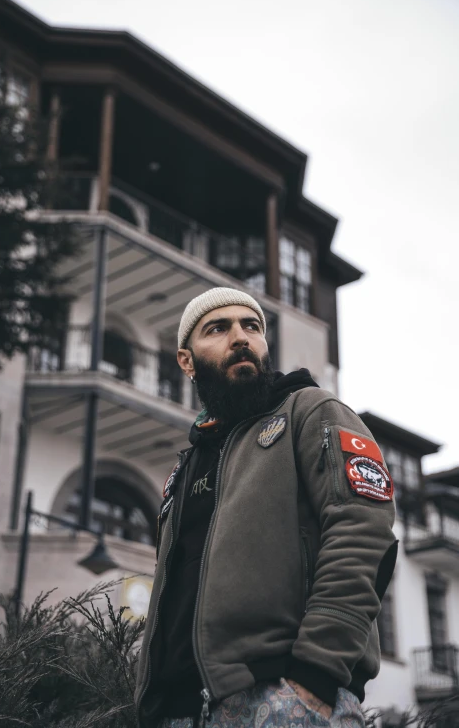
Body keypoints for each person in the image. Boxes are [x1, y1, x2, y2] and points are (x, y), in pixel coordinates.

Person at [135, 288, 397, 728]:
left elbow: (363, 533)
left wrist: (315, 674)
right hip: (177, 710)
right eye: (218, 328)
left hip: (284, 695)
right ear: (186, 359)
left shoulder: (311, 411)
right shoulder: (185, 468)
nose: (240, 337)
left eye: (251, 326)